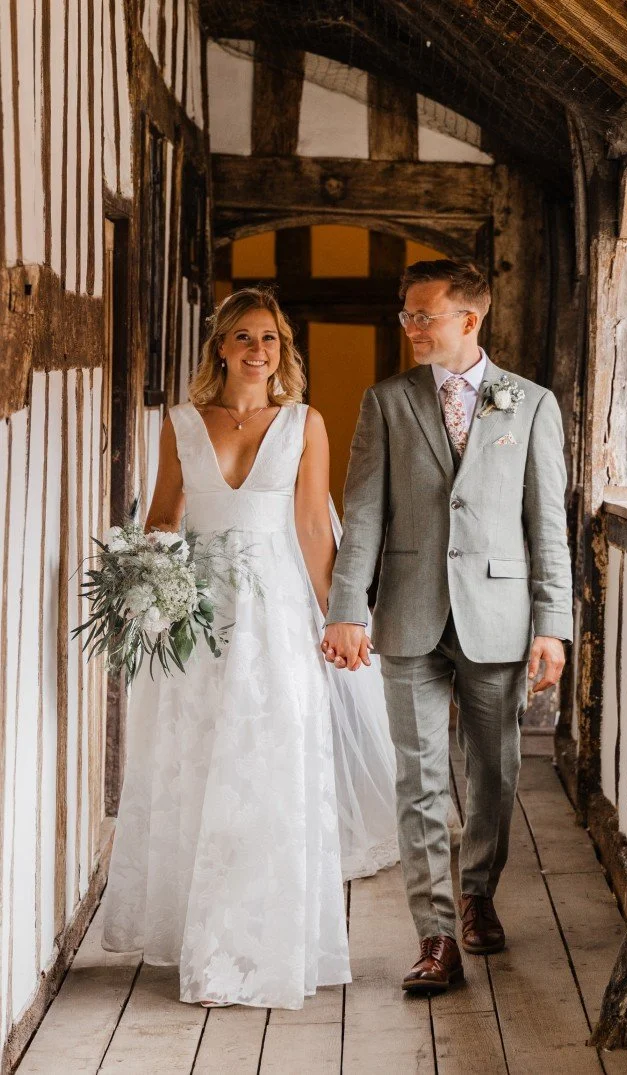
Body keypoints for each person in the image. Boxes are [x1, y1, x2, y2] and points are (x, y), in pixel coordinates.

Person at [101, 287, 399, 1009]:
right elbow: (165, 513)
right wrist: (149, 585)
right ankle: (202, 938)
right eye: (242, 336)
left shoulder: (304, 424)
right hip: (197, 619)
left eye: (269, 337)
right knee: (200, 764)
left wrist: (342, 617)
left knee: (270, 763)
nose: (256, 348)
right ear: (221, 348)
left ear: (282, 350)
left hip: (276, 619)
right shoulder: (181, 423)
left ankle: (262, 944)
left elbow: (314, 531)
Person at [322, 259, 573, 994]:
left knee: (493, 770)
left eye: (422, 314)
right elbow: (363, 511)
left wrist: (553, 624)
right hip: (407, 611)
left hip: (498, 616)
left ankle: (477, 893)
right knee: (420, 777)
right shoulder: (387, 402)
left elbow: (546, 525)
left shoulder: (529, 405)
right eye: (405, 314)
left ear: (470, 319)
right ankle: (434, 935)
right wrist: (346, 607)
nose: (409, 327)